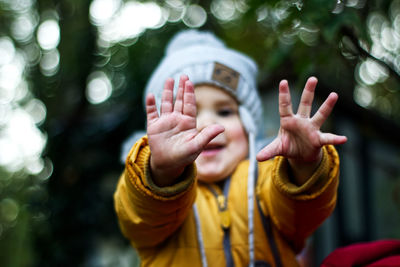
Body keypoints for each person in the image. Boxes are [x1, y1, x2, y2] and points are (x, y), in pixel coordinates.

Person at [114, 30, 347, 266]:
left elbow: (300, 211)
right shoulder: (147, 188)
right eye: (188, 115)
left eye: (224, 111)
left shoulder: (266, 178)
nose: (207, 124)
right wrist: (161, 171)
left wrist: (303, 164)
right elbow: (139, 215)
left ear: (248, 126)